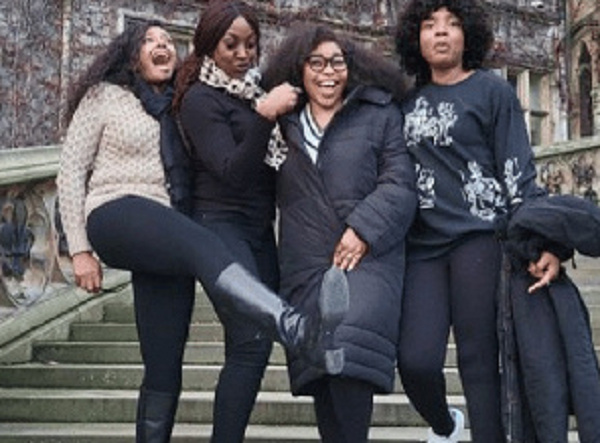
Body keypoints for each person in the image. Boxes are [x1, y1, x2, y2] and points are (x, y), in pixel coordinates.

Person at [57, 20, 345, 443]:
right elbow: (69, 170)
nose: (160, 46)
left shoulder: (181, 104)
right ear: (129, 54)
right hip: (115, 212)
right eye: (148, 40)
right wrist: (79, 250)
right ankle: (294, 326)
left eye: (166, 41)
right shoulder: (106, 97)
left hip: (164, 237)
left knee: (163, 368)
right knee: (204, 242)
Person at [394, 1, 562, 442]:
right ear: (417, 36)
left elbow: (517, 173)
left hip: (480, 240)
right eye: (430, 25)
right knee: (415, 360)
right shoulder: (404, 99)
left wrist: (545, 243)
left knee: (479, 362)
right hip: (422, 248)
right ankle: (447, 426)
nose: (442, 33)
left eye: (452, 24)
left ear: (468, 33)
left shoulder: (493, 92)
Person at [262, 24, 417, 443]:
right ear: (300, 69)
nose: (327, 72)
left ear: (352, 68)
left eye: (337, 62)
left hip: (367, 258)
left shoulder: (380, 113)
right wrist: (262, 113)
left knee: (347, 357)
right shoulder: (283, 122)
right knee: (323, 379)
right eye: (316, 63)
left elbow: (400, 184)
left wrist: (363, 229)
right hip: (304, 265)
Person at [172, 1, 299, 441]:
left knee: (254, 346)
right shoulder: (199, 100)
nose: (243, 54)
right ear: (209, 45)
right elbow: (231, 170)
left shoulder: (247, 91)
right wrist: (265, 115)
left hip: (260, 232)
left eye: (251, 44)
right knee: (251, 340)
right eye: (231, 45)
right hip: (220, 228)